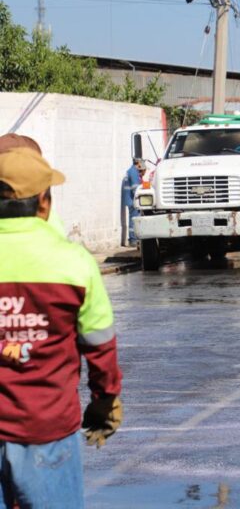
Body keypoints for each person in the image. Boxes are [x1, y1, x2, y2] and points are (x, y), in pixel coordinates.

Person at [0, 147, 123, 508]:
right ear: (44, 202)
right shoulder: (74, 264)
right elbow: (100, 345)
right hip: (48, 431)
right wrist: (104, 401)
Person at [122, 158, 146, 247]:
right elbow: (136, 189)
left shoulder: (131, 171)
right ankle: (133, 240)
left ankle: (134, 238)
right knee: (134, 219)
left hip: (130, 199)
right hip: (132, 200)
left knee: (133, 218)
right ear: (138, 164)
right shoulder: (133, 172)